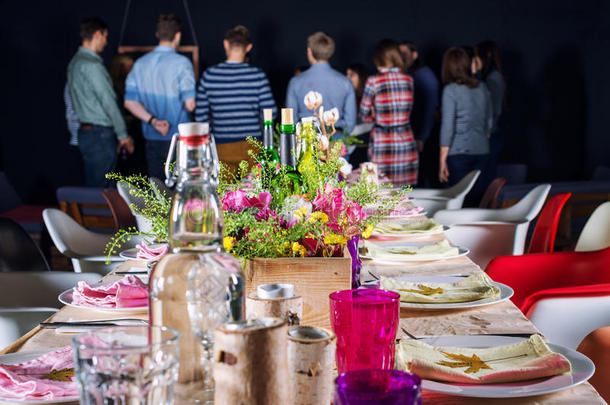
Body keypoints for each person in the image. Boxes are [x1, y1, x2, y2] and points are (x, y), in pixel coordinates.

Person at [195, 25, 277, 174]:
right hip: (252, 147)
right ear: (249, 47)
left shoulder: (209, 76)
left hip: (220, 147)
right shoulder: (257, 75)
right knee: (253, 194)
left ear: (226, 44)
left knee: (224, 194)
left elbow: (201, 117)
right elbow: (271, 113)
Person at [124, 14, 196, 179]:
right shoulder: (182, 63)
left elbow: (129, 102)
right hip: (179, 139)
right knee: (181, 190)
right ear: (178, 36)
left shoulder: (140, 64)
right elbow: (190, 104)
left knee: (158, 192)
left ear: (157, 35)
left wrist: (154, 121)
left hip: (152, 138)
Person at [67, 17, 134, 187]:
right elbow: (108, 102)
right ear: (97, 34)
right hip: (100, 135)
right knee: (103, 191)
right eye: (105, 37)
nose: (106, 42)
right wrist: (123, 135)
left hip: (87, 134)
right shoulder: (92, 65)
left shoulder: (74, 63)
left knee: (95, 187)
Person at [360, 39, 418, 185]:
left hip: (382, 143)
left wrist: (374, 114)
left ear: (378, 59)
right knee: (404, 195)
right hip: (405, 141)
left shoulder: (373, 81)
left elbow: (364, 114)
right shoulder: (408, 80)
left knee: (379, 193)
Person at [439, 47, 492, 201]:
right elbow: (489, 121)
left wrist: (442, 160)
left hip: (458, 152)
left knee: (459, 200)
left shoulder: (450, 90)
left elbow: (448, 127)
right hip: (481, 150)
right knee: (478, 200)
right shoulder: (483, 87)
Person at [286, 32, 356, 136]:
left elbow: (290, 120)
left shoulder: (296, 82)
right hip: (336, 137)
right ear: (330, 52)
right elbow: (350, 124)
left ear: (309, 51)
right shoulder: (345, 82)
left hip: (306, 139)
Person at [399, 41, 440, 187]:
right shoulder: (409, 75)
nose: (401, 57)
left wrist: (422, 137)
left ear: (415, 55)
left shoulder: (423, 75)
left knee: (422, 175)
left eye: (404, 53)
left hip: (424, 136)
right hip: (415, 134)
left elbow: (430, 109)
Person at [475, 40, 506, 182]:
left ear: (485, 56)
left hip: (490, 134)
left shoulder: (493, 78)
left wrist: (487, 128)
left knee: (486, 180)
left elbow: (494, 108)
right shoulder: (490, 77)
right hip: (490, 133)